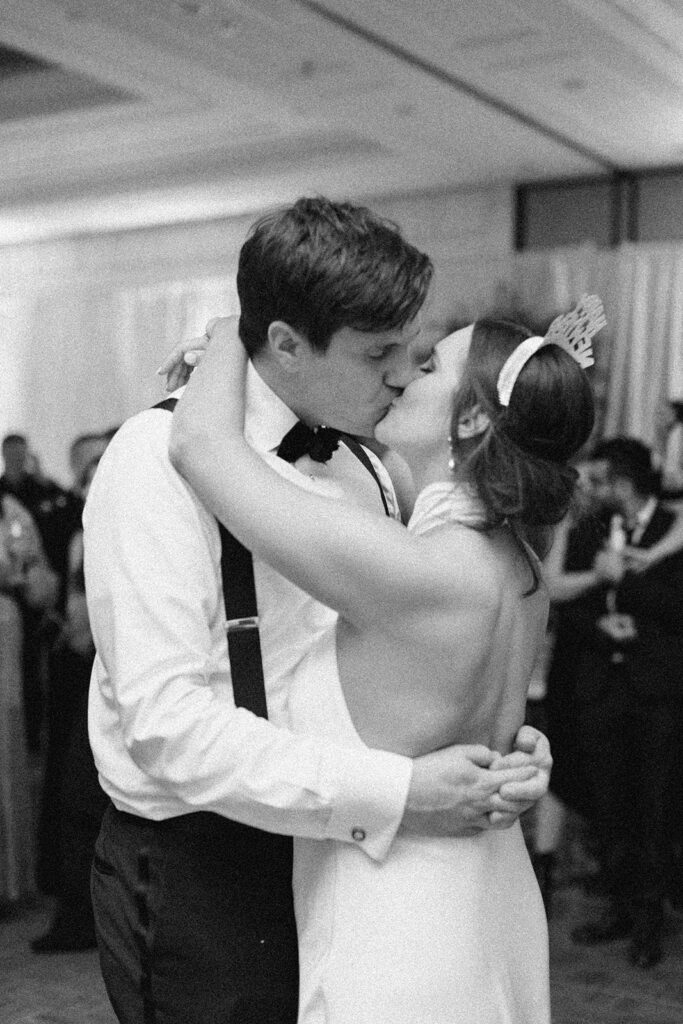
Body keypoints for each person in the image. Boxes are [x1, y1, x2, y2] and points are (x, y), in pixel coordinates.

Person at [84, 197, 551, 1024]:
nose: (403, 375)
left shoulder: (369, 468)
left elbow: (399, 663)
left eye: (411, 353)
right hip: (207, 862)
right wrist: (397, 792)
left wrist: (497, 746)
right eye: (379, 355)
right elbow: (163, 723)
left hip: (343, 856)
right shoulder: (154, 459)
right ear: (287, 344)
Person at [169, 299, 599, 1023]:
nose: (401, 373)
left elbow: (200, 449)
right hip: (490, 895)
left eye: (428, 365)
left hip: (401, 923)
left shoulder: (414, 570)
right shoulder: (520, 568)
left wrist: (227, 336)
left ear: (468, 420)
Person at [570, 437, 683, 969]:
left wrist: (630, 605)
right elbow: (572, 599)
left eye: (600, 480)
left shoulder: (672, 529)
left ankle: (647, 924)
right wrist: (601, 619)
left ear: (622, 481)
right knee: (610, 805)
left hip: (657, 692)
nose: (592, 490)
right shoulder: (592, 529)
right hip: (604, 688)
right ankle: (617, 908)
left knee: (654, 809)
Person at [32, 455, 109, 952]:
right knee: (72, 790)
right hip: (77, 666)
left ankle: (85, 914)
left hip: (98, 666)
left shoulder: (106, 531)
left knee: (83, 791)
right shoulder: (82, 532)